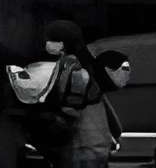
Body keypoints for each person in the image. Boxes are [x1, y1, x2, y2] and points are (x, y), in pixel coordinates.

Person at [6, 20, 105, 168]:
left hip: (76, 150)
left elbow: (65, 112)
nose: (46, 43)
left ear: (63, 43)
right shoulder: (86, 70)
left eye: (51, 40)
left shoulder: (67, 70)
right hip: (97, 148)